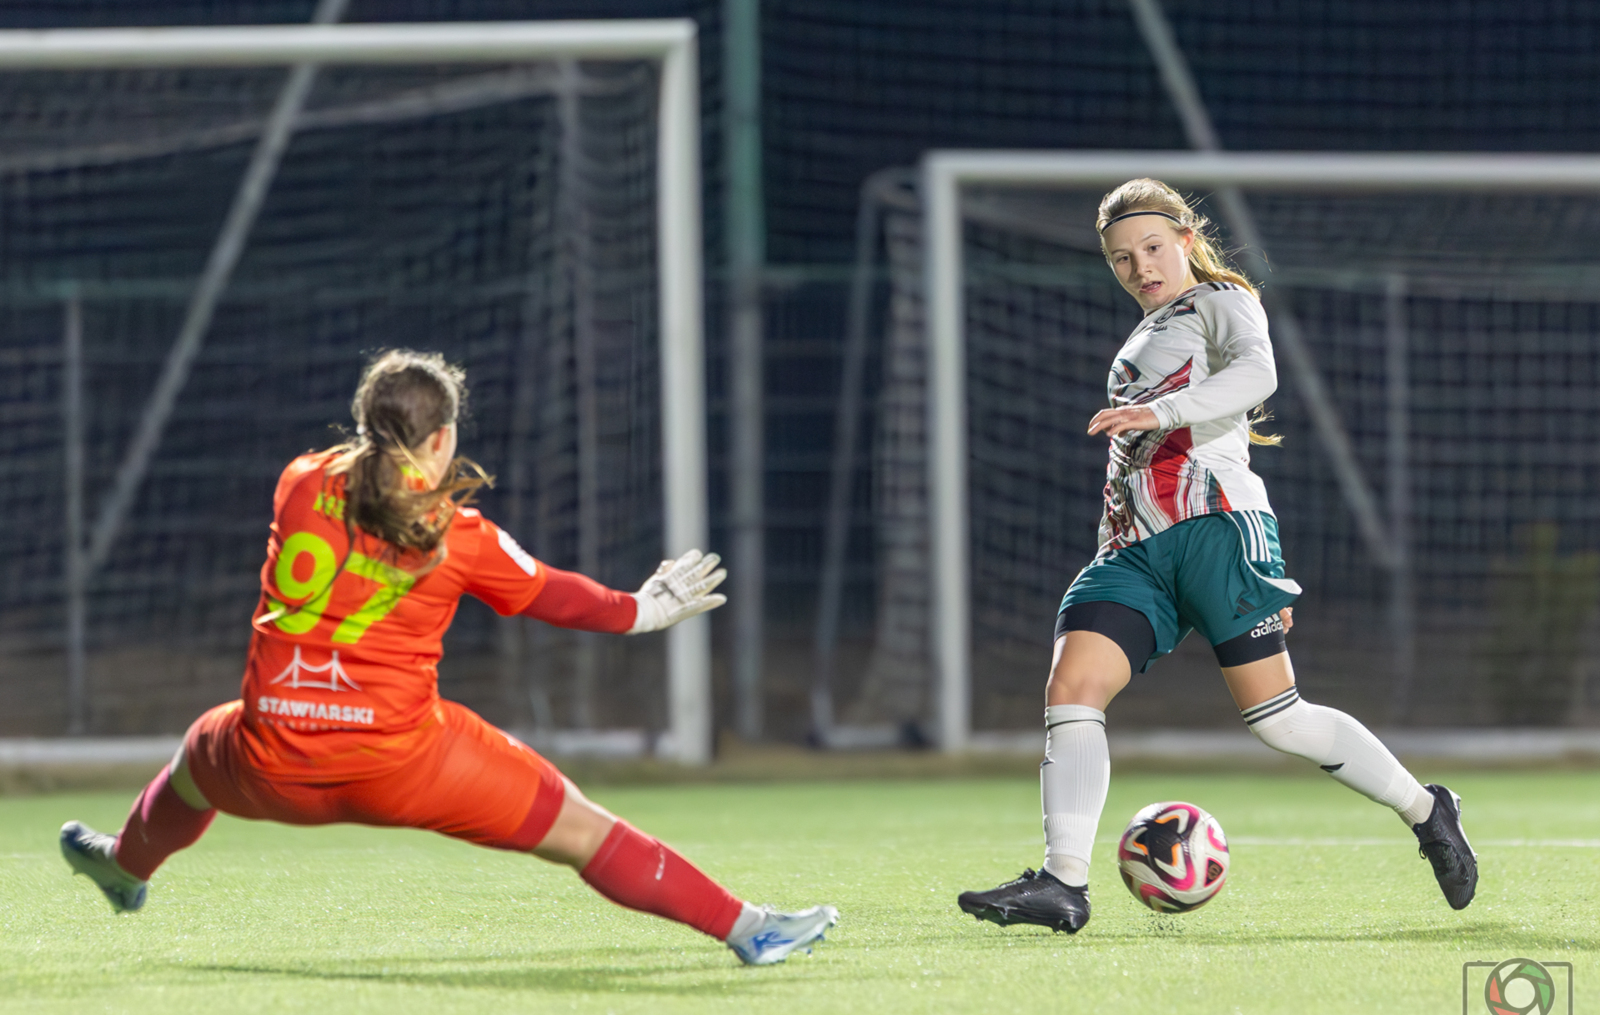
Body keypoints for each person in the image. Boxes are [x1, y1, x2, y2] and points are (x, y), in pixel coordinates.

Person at [60, 349, 836, 966]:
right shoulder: (459, 533)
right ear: (442, 440)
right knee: (584, 831)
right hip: (408, 766)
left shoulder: (298, 482)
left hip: (273, 761)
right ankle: (749, 929)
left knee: (197, 759)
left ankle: (127, 866)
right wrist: (645, 609)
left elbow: (348, 475)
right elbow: (557, 595)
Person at [956, 179, 1476, 934]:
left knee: (1279, 719)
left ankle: (1428, 809)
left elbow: (1258, 377)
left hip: (1217, 528)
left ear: (1188, 239)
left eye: (1153, 248)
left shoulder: (1223, 303)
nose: (1141, 266)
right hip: (1134, 551)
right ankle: (1063, 883)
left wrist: (1161, 411)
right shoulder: (1142, 337)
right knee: (1072, 685)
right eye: (1122, 257)